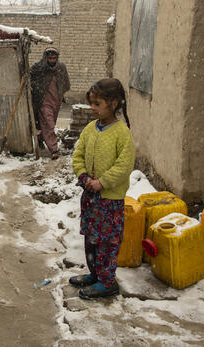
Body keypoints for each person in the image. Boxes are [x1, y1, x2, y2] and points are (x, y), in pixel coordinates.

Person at [70, 78, 135, 299]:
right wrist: (83, 176)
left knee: (107, 241)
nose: (92, 108)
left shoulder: (121, 133)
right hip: (90, 197)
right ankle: (96, 274)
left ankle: (108, 282)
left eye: (97, 104)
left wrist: (102, 182)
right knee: (91, 238)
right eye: (92, 103)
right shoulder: (90, 129)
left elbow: (124, 166)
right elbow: (77, 155)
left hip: (109, 199)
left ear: (114, 103)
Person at [30, 47, 71, 159]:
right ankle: (54, 149)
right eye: (50, 58)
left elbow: (66, 83)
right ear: (45, 58)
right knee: (49, 124)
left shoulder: (61, 67)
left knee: (49, 123)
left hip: (56, 101)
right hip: (43, 101)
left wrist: (61, 93)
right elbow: (30, 76)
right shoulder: (39, 68)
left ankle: (40, 138)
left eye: (54, 58)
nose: (52, 61)